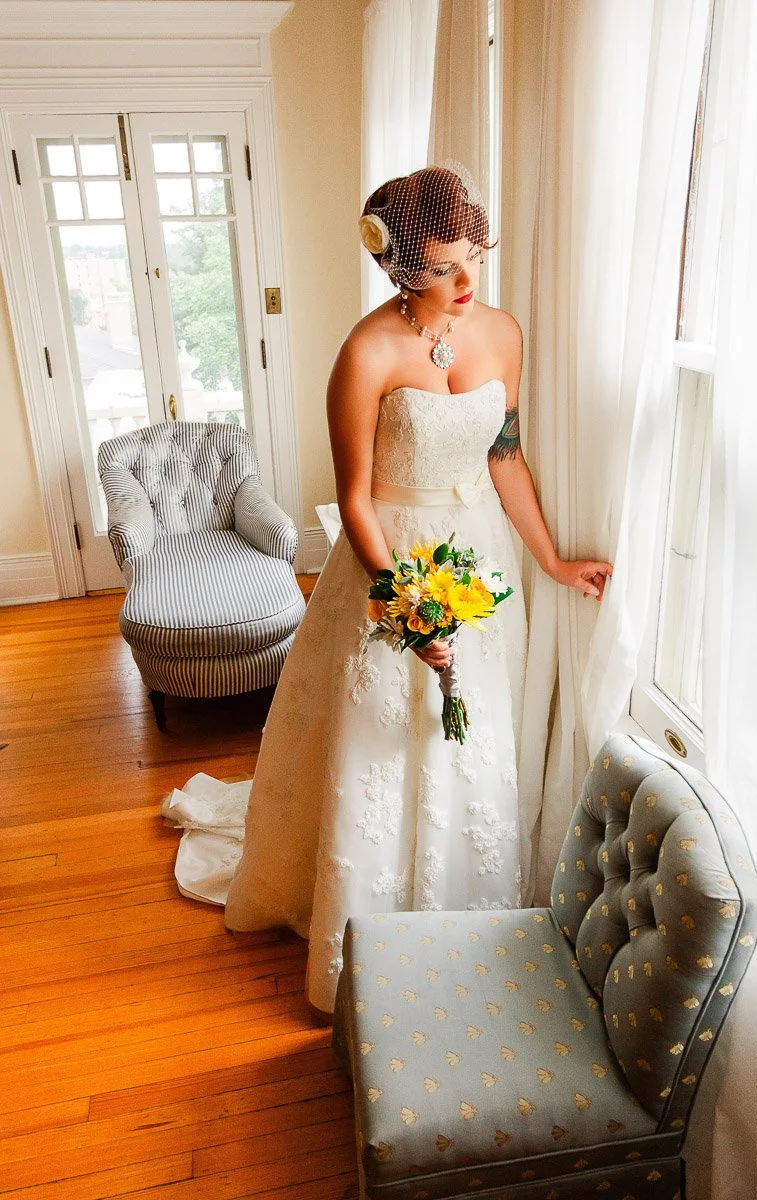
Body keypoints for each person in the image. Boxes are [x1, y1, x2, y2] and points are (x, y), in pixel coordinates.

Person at [163, 163, 611, 1014]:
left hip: (478, 561)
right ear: (399, 268)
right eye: (444, 266)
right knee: (380, 739)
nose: (467, 281)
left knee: (464, 735)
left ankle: (457, 910)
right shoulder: (365, 353)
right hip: (388, 560)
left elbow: (503, 454)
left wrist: (551, 560)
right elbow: (357, 498)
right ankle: (366, 921)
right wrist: (403, 598)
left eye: (474, 255)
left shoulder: (502, 334)